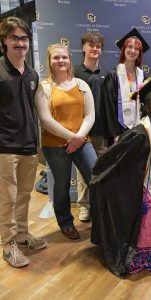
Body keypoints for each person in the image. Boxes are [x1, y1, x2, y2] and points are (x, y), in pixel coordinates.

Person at [90, 76, 151, 278]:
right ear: (146, 108)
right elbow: (109, 161)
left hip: (140, 182)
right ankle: (140, 254)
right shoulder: (139, 134)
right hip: (125, 186)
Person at [34, 43, 97, 240]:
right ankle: (66, 222)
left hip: (82, 140)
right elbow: (45, 120)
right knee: (61, 185)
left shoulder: (81, 85)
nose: (61, 61)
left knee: (97, 178)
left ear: (70, 59)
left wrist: (79, 138)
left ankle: (102, 216)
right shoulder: (43, 88)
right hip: (55, 145)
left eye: (64, 57)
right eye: (56, 58)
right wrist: (72, 138)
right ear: (50, 61)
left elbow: (90, 115)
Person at [0, 16, 47, 268]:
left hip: (29, 146)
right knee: (6, 198)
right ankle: (8, 244)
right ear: (5, 41)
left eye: (24, 38)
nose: (20, 43)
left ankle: (21, 234)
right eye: (14, 38)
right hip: (5, 147)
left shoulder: (32, 73)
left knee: (24, 195)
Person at [74, 31, 108, 222]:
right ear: (83, 47)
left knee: (101, 170)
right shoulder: (76, 72)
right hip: (82, 132)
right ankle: (84, 206)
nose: (95, 49)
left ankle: (100, 205)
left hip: (102, 131)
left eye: (98, 46)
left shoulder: (107, 74)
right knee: (83, 172)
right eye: (91, 45)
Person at [100, 28, 149, 142]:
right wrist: (115, 133)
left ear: (139, 54)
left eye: (137, 49)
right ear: (124, 49)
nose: (133, 51)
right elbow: (109, 106)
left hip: (138, 128)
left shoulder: (142, 76)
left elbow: (145, 103)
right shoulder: (113, 76)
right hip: (119, 130)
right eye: (129, 47)